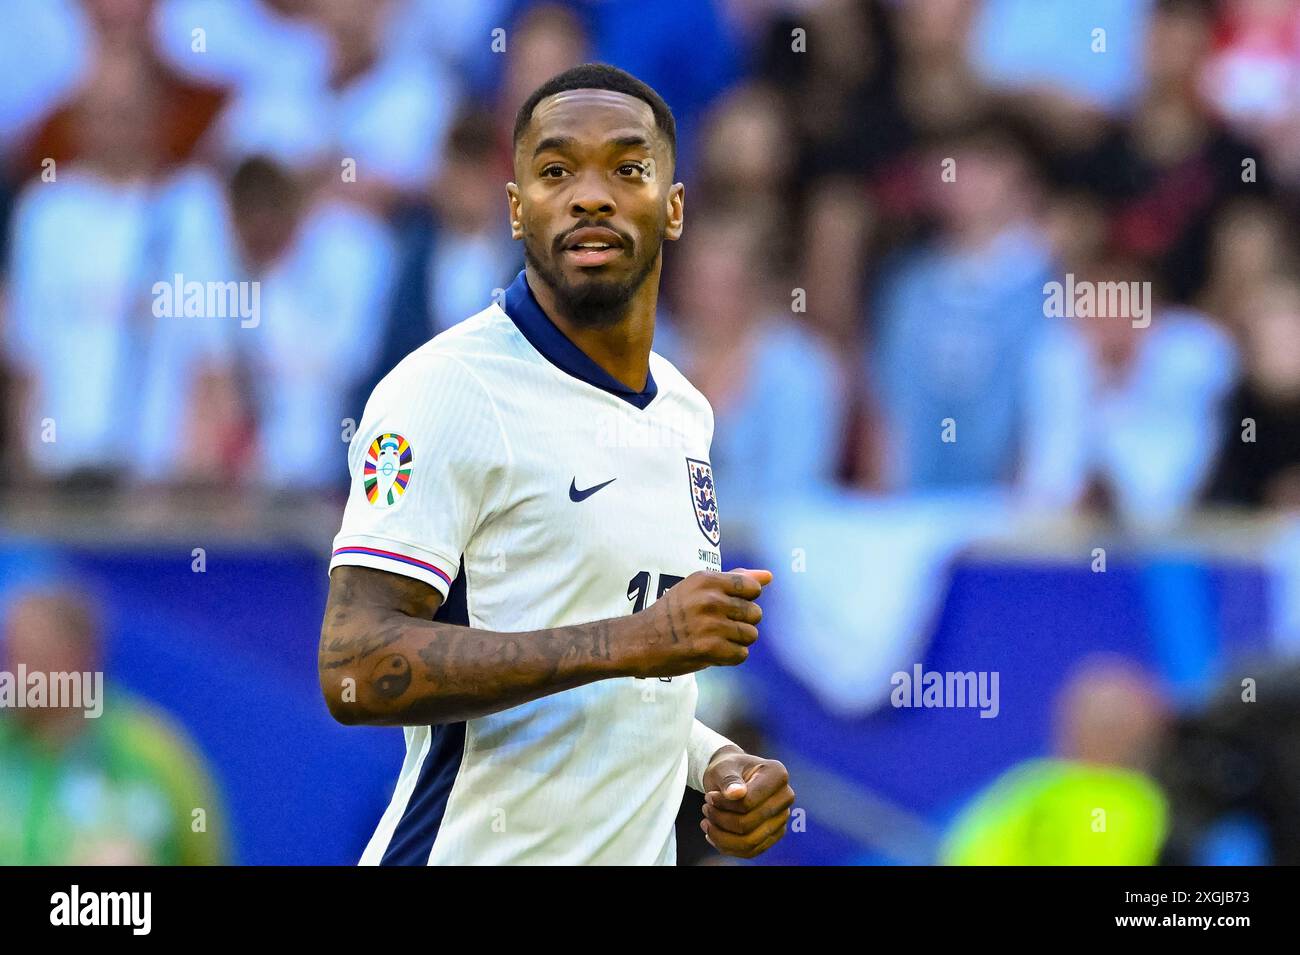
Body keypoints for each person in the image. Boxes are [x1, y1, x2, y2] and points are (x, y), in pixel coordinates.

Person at [318, 64, 794, 865]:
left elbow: (628, 682)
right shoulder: (446, 390)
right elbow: (354, 667)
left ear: (674, 208)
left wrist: (715, 760)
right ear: (516, 210)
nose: (591, 195)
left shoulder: (683, 414)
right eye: (555, 170)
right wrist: (631, 641)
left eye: (628, 168)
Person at [0, 587, 226, 865]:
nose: (14, 675)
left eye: (32, 658)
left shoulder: (153, 753)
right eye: (11, 656)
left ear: (80, 659)